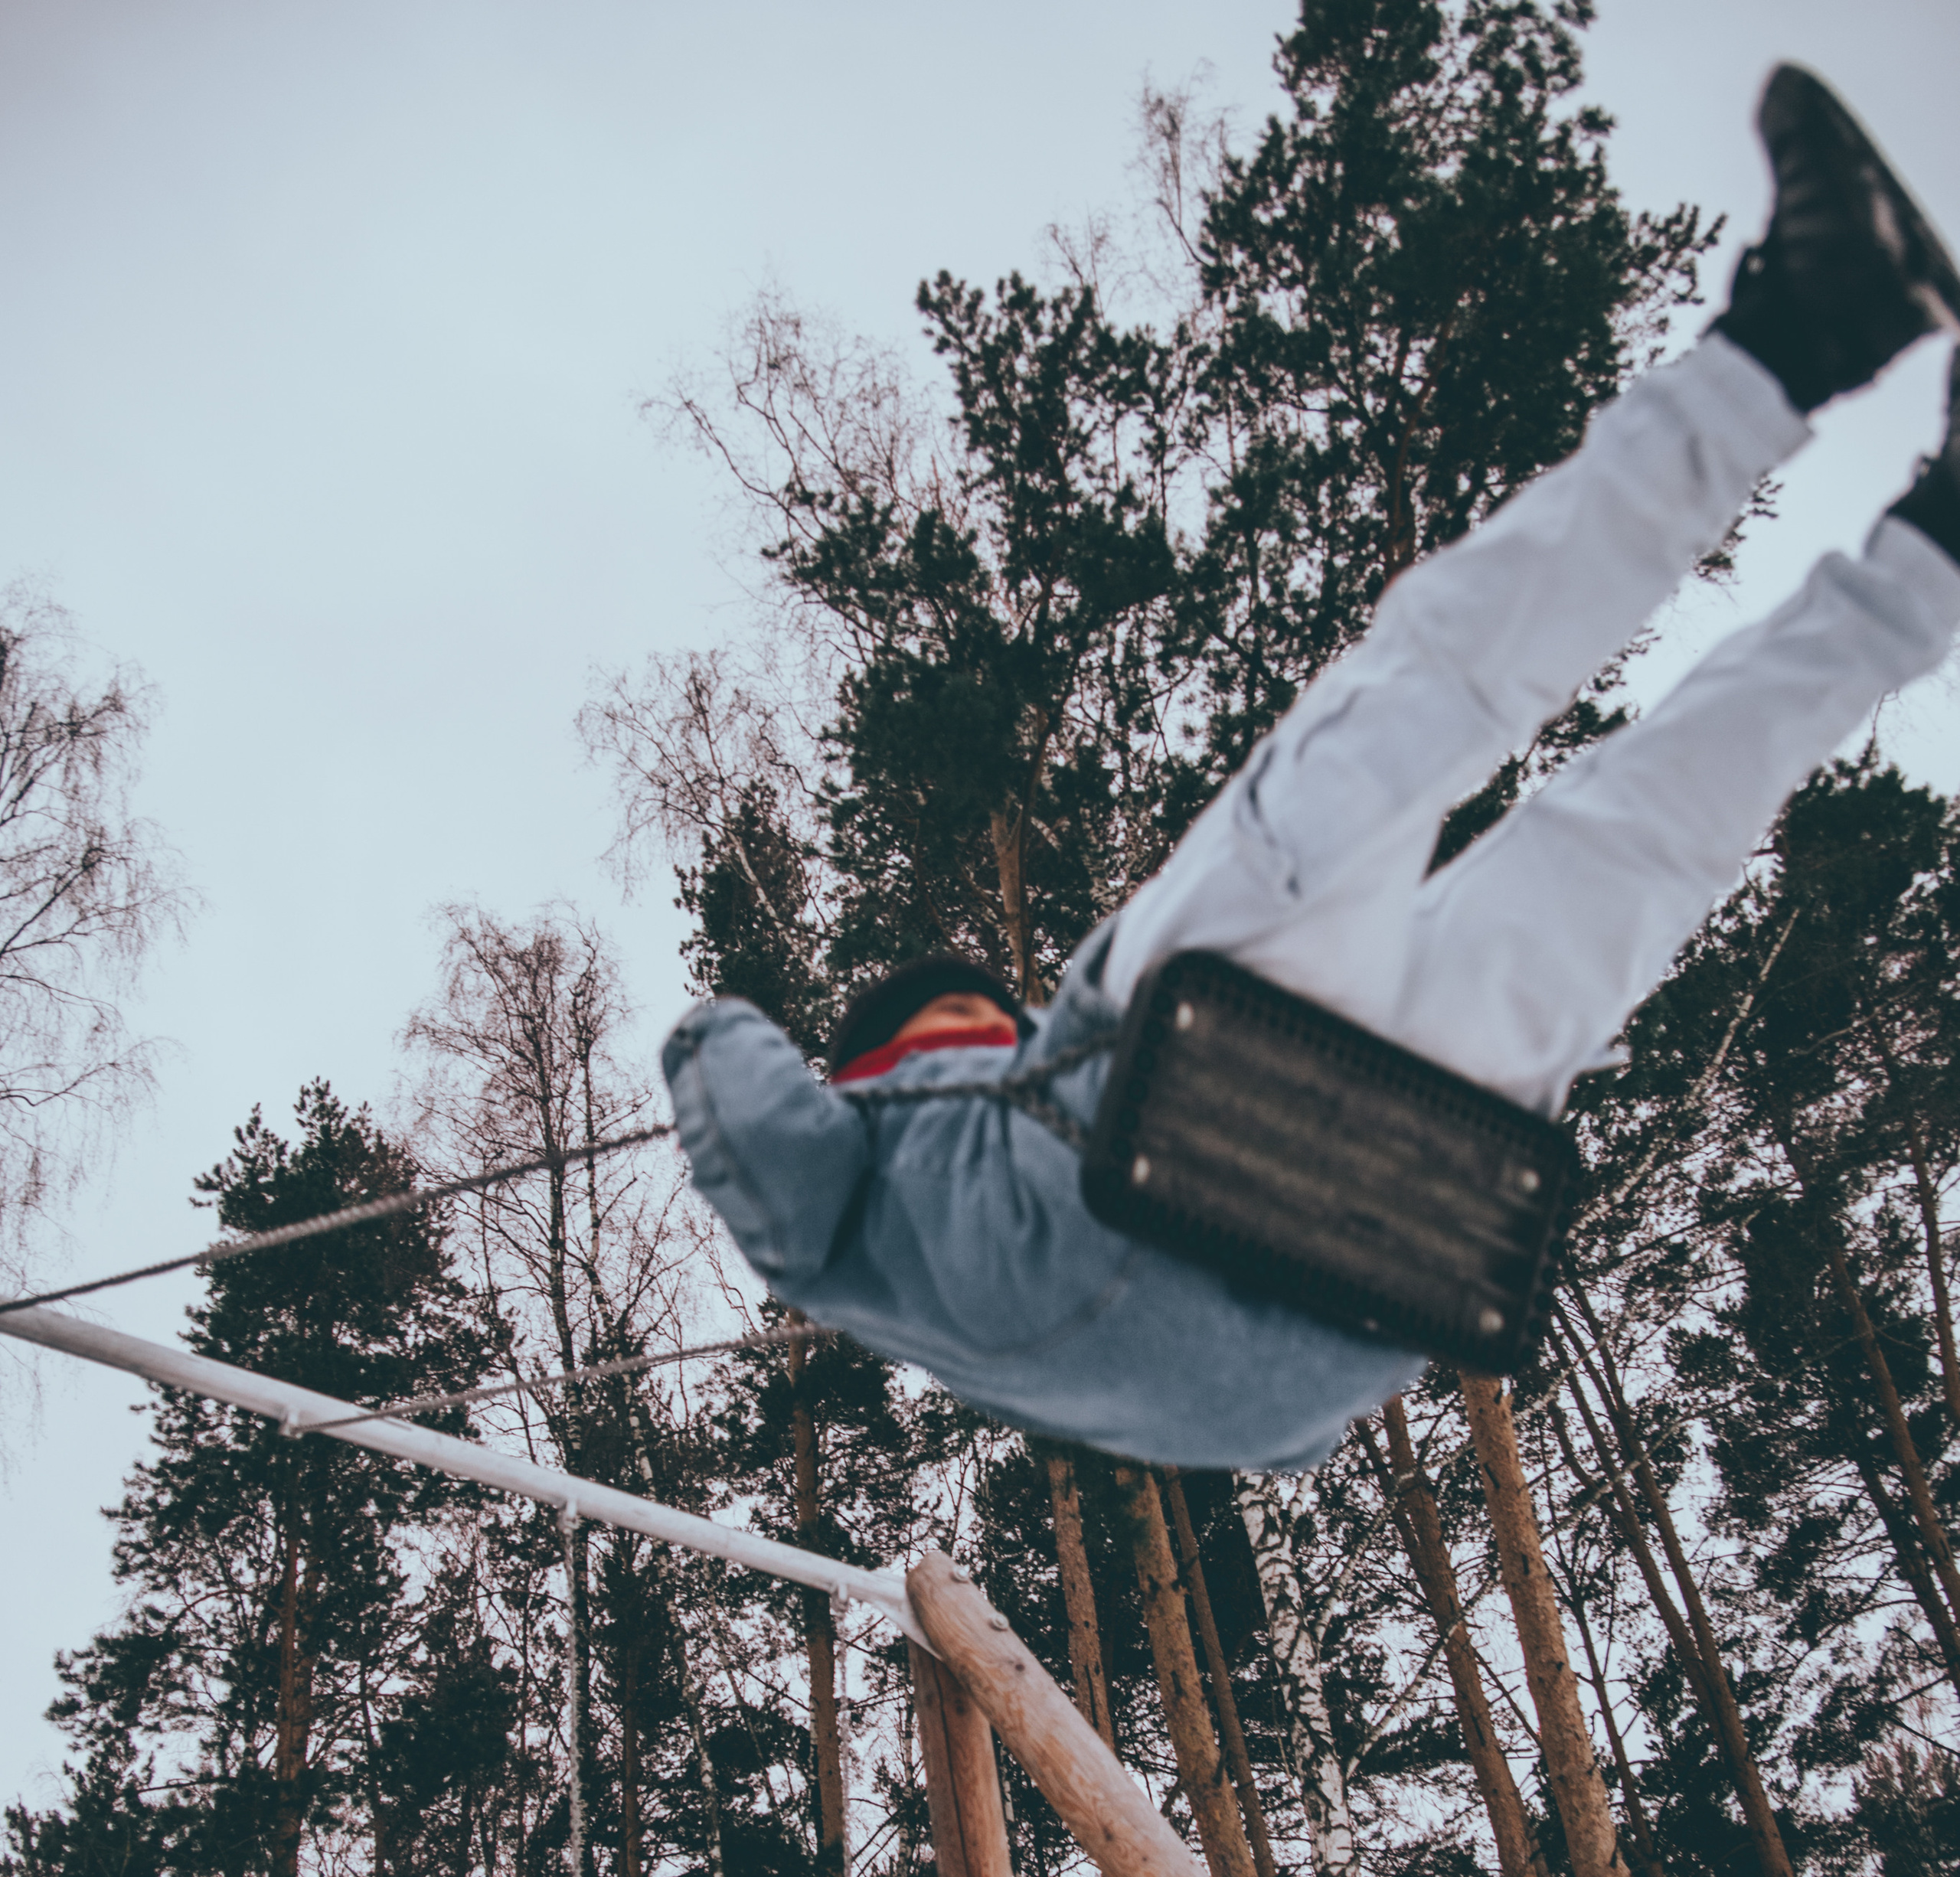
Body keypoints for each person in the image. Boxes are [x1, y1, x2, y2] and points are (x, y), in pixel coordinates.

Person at [663, 67, 1960, 1472]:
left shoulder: (929, 1309)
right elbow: (738, 1093)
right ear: (910, 1050)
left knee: (1646, 836)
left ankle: (1938, 549)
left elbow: (1280, 1451)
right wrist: (716, 1033)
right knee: (1442, 684)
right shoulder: (874, 1170)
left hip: (1379, 1266)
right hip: (1190, 1093)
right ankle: (1805, 326)